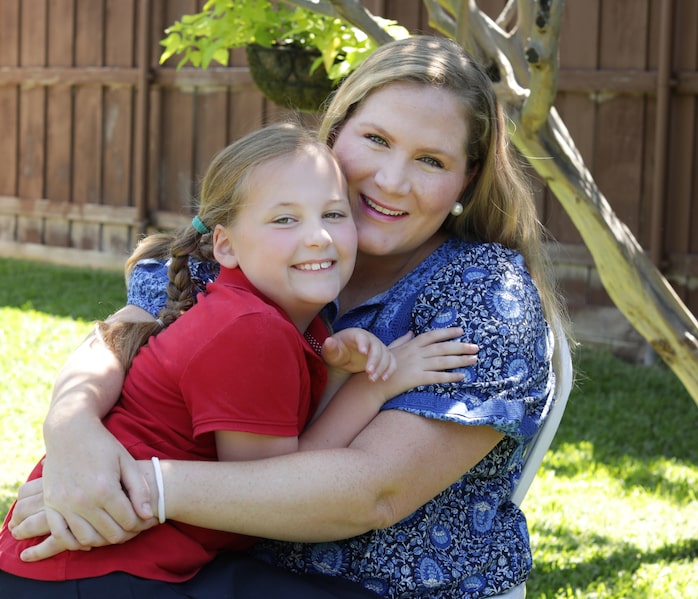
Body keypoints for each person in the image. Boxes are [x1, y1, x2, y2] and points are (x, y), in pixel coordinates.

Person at [8, 35, 569, 598]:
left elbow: (376, 492)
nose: (392, 181)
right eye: (376, 139)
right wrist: (73, 434)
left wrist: (137, 486)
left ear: (465, 181)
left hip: (387, 586)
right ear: (335, 132)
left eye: (431, 160)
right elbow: (125, 332)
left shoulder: (487, 295)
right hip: (211, 572)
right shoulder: (271, 235)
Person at [0, 122, 477, 596]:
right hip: (90, 566)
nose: (318, 237)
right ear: (225, 244)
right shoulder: (252, 329)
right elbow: (276, 490)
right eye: (285, 220)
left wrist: (334, 370)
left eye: (333, 214)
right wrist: (374, 386)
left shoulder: (276, 316)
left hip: (116, 559)